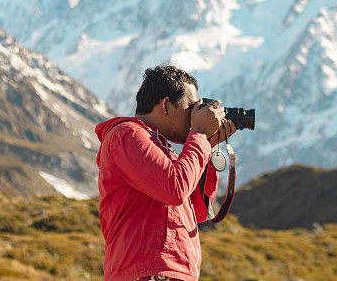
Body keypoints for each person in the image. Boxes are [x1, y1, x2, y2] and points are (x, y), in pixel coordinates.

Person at [95, 65, 237, 281]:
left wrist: (207, 145)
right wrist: (199, 134)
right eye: (191, 109)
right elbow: (175, 189)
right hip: (147, 273)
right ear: (166, 105)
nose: (194, 118)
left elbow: (199, 211)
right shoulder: (127, 134)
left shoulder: (163, 150)